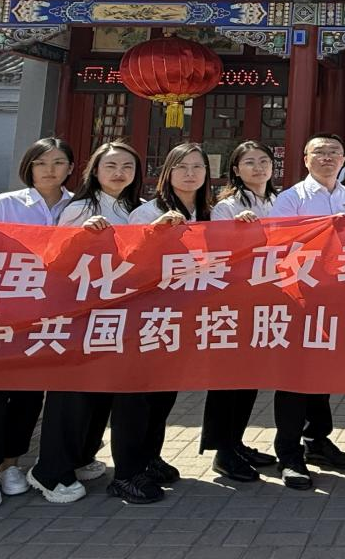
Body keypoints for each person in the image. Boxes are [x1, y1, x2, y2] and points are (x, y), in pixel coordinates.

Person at [30, 143, 144, 505]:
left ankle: (81, 456)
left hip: (119, 314)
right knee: (72, 392)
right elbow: (55, 260)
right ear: (95, 171)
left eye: (127, 167)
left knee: (100, 392)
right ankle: (50, 470)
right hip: (81, 314)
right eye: (111, 166)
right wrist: (81, 235)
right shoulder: (80, 209)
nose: (119, 173)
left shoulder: (137, 209)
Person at [0, 137, 75, 511]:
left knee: (29, 395)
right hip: (4, 312)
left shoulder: (77, 206)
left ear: (70, 168)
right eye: (41, 162)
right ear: (29, 167)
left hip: (50, 316)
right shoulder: (6, 204)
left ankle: (10, 464)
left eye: (58, 162)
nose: (49, 170)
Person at [112, 142, 211, 504]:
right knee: (136, 396)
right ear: (167, 172)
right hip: (146, 315)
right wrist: (153, 233)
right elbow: (127, 262)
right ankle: (125, 473)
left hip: (183, 315)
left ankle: (149, 457)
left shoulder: (208, 213)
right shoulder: (147, 212)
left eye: (197, 167)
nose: (190, 173)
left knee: (163, 393)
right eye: (182, 166)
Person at [267, 133, 345, 490]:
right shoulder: (291, 198)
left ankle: (318, 441)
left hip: (338, 298)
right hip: (299, 298)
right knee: (295, 377)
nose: (328, 158)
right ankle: (288, 452)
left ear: (343, 160)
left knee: (323, 375)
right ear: (306, 159)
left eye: (335, 152)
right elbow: (277, 243)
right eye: (320, 152)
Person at [200, 141, 281, 483]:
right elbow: (219, 255)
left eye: (264, 161)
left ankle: (237, 442)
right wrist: (238, 231)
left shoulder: (280, 202)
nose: (258, 167)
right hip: (234, 303)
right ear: (235, 169)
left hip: (269, 300)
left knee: (250, 378)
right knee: (228, 379)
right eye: (249, 162)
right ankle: (223, 450)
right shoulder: (227, 207)